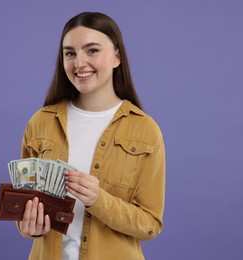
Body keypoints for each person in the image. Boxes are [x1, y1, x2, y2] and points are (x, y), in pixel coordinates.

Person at [16, 11, 165, 260]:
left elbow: (150, 224)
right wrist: (28, 226)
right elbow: (23, 206)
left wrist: (99, 200)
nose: (79, 63)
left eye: (92, 50)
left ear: (117, 57)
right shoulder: (40, 122)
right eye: (70, 53)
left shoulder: (145, 130)